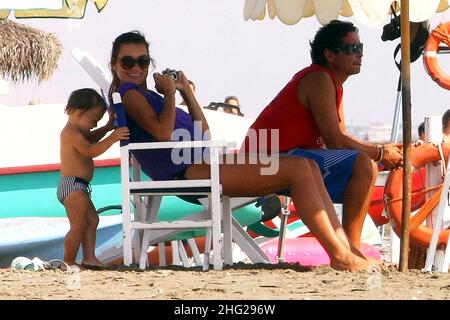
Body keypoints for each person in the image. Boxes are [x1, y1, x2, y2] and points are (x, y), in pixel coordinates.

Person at [107, 30, 382, 271]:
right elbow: (163, 133)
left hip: (203, 163)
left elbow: (204, 134)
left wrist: (185, 92)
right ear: (114, 64)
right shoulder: (131, 94)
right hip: (188, 172)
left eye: (142, 61)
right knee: (298, 168)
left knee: (306, 166)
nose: (136, 67)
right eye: (127, 61)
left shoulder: (150, 96)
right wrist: (169, 94)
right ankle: (340, 255)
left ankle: (344, 251)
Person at [241, 20, 403, 250]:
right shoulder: (318, 79)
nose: (359, 55)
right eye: (351, 49)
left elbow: (341, 135)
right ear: (330, 54)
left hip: (282, 158)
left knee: (363, 164)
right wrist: (379, 153)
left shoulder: (331, 82)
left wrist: (383, 149)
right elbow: (335, 140)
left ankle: (348, 248)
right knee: (364, 166)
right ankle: (351, 249)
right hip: (266, 161)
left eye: (360, 48)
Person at [57, 88, 129, 268]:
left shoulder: (78, 131)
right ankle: (68, 260)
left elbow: (90, 137)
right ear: (79, 113)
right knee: (78, 225)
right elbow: (90, 150)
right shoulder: (71, 134)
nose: (94, 125)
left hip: (78, 186)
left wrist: (106, 128)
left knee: (92, 220)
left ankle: (89, 257)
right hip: (72, 186)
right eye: (94, 121)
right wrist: (112, 138)